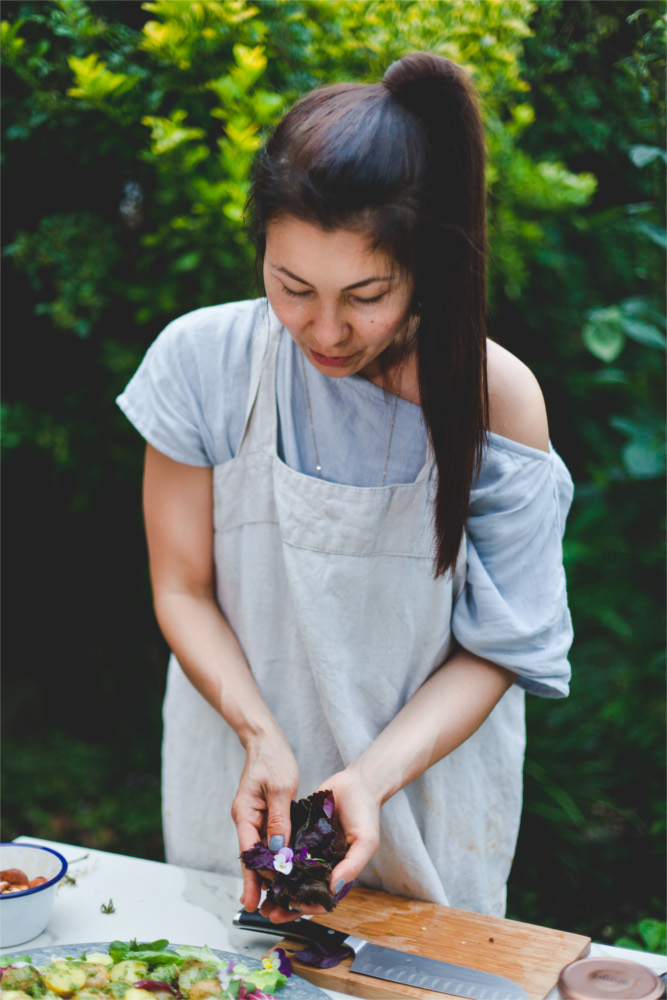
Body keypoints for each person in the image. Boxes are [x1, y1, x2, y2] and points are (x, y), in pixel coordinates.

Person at [116, 51, 574, 923]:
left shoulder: (494, 399)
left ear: (423, 268)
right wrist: (259, 734)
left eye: (365, 295)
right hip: (238, 786)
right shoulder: (201, 363)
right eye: (292, 287)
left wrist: (366, 778)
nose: (323, 330)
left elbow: (502, 644)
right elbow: (181, 587)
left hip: (426, 806)